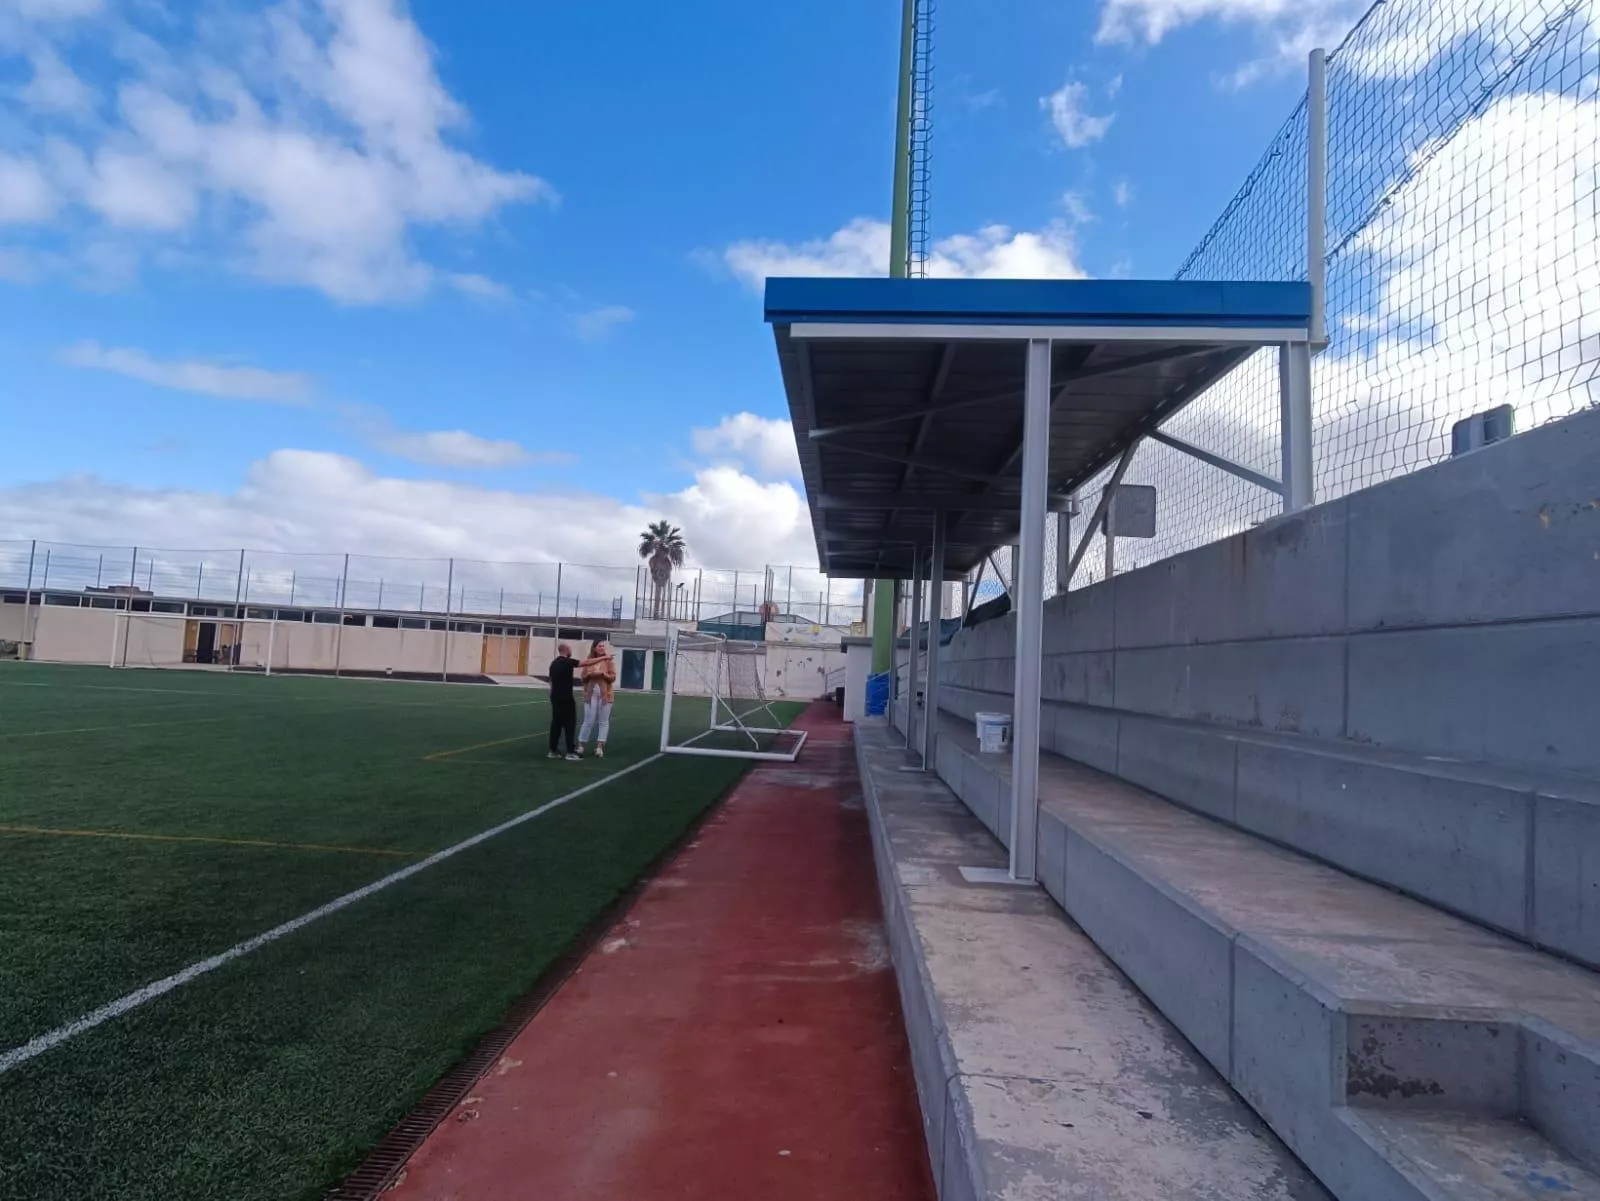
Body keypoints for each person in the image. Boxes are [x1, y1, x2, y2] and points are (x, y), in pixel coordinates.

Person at [576, 638, 617, 758]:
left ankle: (599, 747)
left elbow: (613, 677)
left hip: (605, 695)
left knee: (603, 721)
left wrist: (604, 675)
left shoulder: (609, 661)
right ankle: (581, 746)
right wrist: (589, 675)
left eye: (603, 646)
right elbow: (583, 678)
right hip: (590, 695)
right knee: (588, 720)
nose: (602, 648)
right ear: (594, 648)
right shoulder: (589, 661)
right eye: (599, 646)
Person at [547, 643, 581, 760]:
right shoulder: (568, 662)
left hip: (555, 698)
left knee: (556, 725)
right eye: (570, 649)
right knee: (570, 725)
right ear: (566, 650)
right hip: (566, 699)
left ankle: (552, 751)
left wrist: (551, 696)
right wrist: (603, 658)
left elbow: (550, 682)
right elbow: (585, 663)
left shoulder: (553, 664)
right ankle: (570, 752)